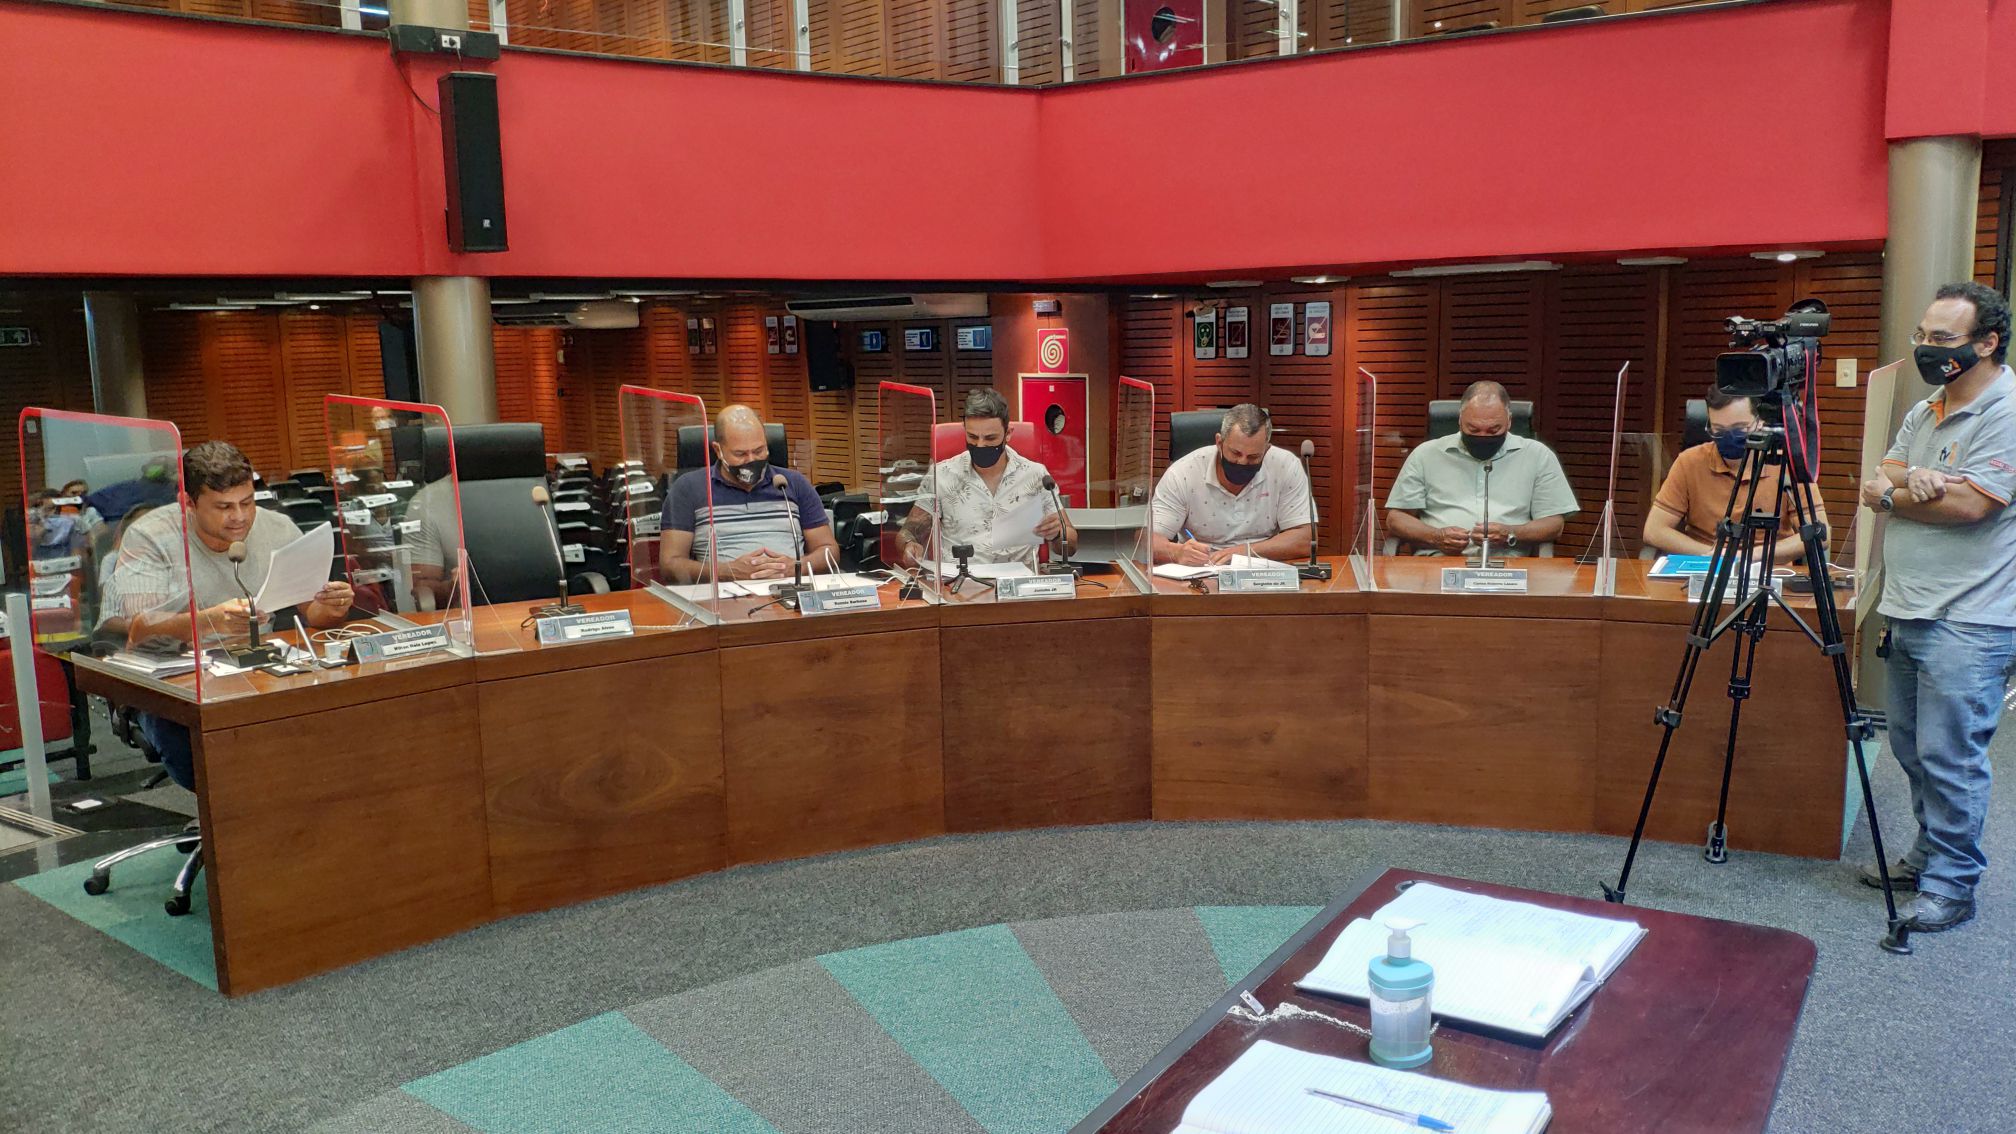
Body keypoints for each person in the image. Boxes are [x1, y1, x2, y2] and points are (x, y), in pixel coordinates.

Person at [1855, 281, 2016, 933]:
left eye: (1942, 339)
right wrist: (1911, 481)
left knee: (1952, 756)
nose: (1927, 348)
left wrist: (1904, 492)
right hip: (1910, 606)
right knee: (1912, 749)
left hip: (1971, 619)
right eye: (1921, 336)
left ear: (1988, 342)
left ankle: (1953, 882)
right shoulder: (1929, 408)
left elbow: (1973, 506)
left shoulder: (2006, 410)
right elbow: (1881, 473)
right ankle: (1928, 853)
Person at [109, 441, 354, 790]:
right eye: (224, 507)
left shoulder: (278, 528)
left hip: (258, 671)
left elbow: (314, 613)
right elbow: (139, 631)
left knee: (329, 734)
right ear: (188, 503)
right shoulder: (150, 536)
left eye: (247, 502)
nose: (239, 516)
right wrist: (209, 620)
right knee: (217, 772)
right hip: (174, 680)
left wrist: (331, 608)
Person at [1384, 381, 1578, 556]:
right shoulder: (1426, 454)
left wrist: (1510, 533)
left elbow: (1554, 524)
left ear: (1509, 421)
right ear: (1460, 420)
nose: (1483, 436)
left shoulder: (1537, 455)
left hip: (1508, 568)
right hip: (1438, 564)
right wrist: (1435, 536)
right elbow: (1396, 518)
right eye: (1473, 430)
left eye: (1494, 430)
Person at [1641, 386, 1828, 562]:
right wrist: (1713, 555)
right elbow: (1654, 530)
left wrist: (1751, 556)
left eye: (1739, 428)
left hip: (1767, 569)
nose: (1729, 437)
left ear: (1760, 422)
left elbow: (1821, 535)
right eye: (1720, 430)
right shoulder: (1689, 462)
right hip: (1706, 567)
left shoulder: (1788, 464)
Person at [897, 389, 1075, 572]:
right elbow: (908, 531)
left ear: (1008, 433)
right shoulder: (942, 475)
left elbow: (1071, 544)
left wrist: (1058, 534)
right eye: (973, 437)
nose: (980, 445)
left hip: (1018, 584)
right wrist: (909, 545)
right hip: (959, 583)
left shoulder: (1036, 475)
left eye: (990, 438)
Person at [661, 404, 839, 584]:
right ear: (718, 450)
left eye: (758, 451)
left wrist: (796, 567)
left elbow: (829, 550)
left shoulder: (790, 483)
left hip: (790, 589)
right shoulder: (688, 488)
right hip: (723, 594)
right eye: (740, 454)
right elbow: (670, 564)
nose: (751, 460)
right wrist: (726, 572)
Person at [1150, 403, 1313, 565]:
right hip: (1201, 568)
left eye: (1253, 457)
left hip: (1262, 567)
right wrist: (1176, 552)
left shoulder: (1285, 466)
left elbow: (1305, 539)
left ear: (1266, 449)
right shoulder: (1183, 473)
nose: (1242, 462)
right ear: (1219, 442)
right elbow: (1147, 540)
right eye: (1235, 453)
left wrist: (1244, 552)